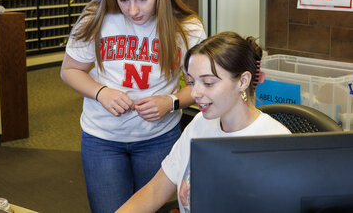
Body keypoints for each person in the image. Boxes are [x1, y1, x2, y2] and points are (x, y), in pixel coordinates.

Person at [60, 0, 206, 213]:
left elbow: (200, 87)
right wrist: (101, 92)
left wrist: (172, 101)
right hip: (101, 138)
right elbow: (69, 70)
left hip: (158, 137)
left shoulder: (187, 26)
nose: (133, 10)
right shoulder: (96, 16)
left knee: (154, 208)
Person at [116, 31, 292, 213]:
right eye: (192, 82)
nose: (194, 94)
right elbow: (154, 191)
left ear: (243, 81)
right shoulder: (200, 123)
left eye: (208, 83)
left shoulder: (275, 142)